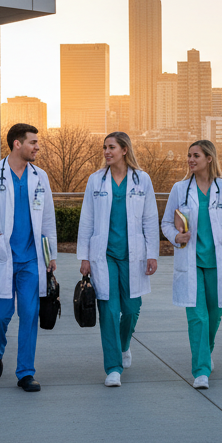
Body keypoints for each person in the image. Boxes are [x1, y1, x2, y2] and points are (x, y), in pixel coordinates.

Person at [0, 123, 58, 392]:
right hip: (3, 257)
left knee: (30, 315)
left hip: (31, 260)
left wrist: (50, 255)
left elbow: (48, 218)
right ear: (17, 144)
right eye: (33, 142)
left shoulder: (39, 176)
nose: (37, 147)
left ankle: (26, 372)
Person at [77, 131, 159, 387]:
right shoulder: (96, 180)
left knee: (132, 310)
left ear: (125, 149)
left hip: (133, 256)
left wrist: (152, 253)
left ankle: (124, 344)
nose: (106, 152)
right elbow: (87, 219)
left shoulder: (141, 179)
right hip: (104, 255)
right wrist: (84, 256)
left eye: (111, 147)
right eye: (104, 147)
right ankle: (113, 367)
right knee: (109, 311)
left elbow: (149, 219)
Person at [161, 140, 222, 389]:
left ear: (209, 158)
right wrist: (176, 236)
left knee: (215, 315)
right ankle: (201, 370)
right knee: (198, 317)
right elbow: (165, 223)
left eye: (196, 155)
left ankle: (206, 353)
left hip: (217, 261)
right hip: (190, 262)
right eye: (189, 156)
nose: (190, 160)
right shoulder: (180, 188)